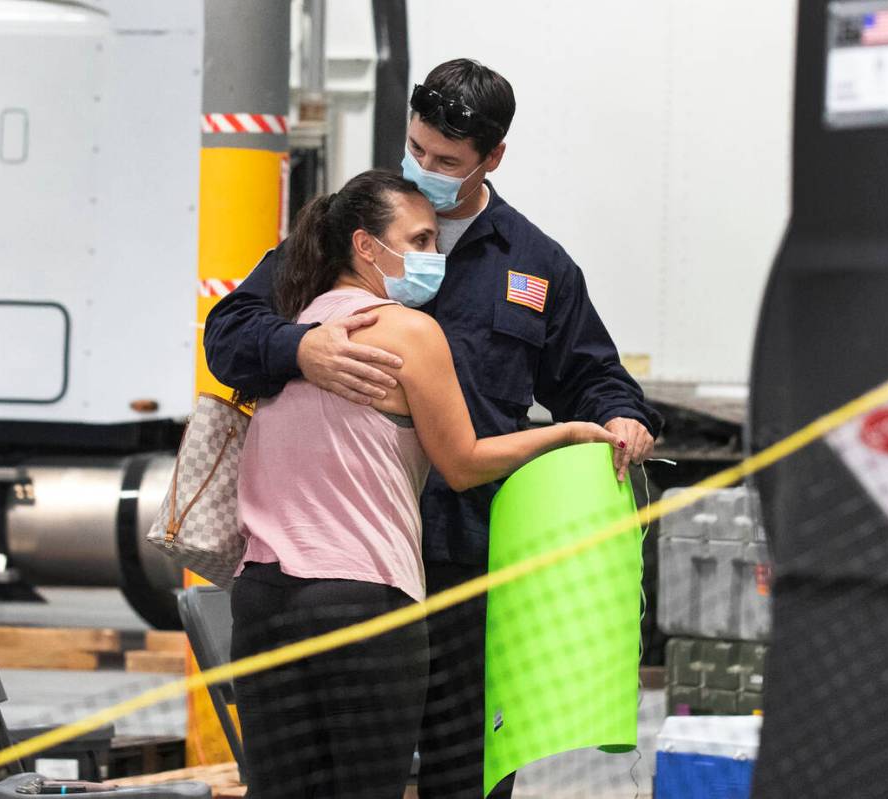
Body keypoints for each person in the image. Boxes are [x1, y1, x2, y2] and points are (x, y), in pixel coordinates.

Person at [206, 60, 663, 798]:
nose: (425, 169)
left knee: (464, 774)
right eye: (416, 149)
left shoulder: (534, 265)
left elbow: (592, 374)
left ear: (492, 158)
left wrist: (618, 416)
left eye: (447, 161)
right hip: (343, 560)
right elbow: (228, 334)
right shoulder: (342, 232)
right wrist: (300, 349)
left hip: (463, 565)